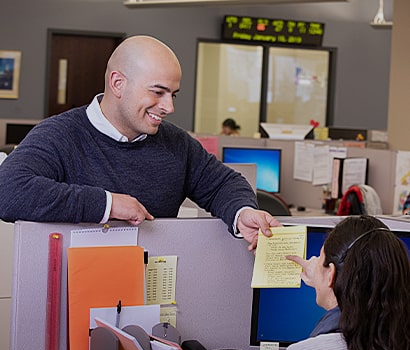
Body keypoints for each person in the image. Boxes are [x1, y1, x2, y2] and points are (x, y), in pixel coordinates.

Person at [0, 35, 279, 250]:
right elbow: (8, 190)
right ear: (118, 84)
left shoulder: (176, 144)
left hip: (157, 297)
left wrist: (241, 212)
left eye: (173, 94)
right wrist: (107, 205)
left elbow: (223, 184)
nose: (168, 107)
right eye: (158, 92)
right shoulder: (60, 135)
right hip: (72, 295)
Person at [266, 215, 410, 350]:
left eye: (320, 259)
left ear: (332, 273)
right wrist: (322, 277)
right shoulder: (400, 345)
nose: (315, 262)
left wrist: (327, 281)